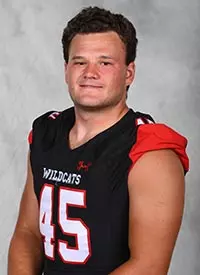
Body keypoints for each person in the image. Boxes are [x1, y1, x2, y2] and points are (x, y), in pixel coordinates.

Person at [8, 6, 189, 275]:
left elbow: (149, 266)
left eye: (105, 62)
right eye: (80, 62)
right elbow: (28, 233)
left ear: (128, 73)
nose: (90, 73)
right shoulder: (46, 133)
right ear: (66, 69)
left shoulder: (150, 151)